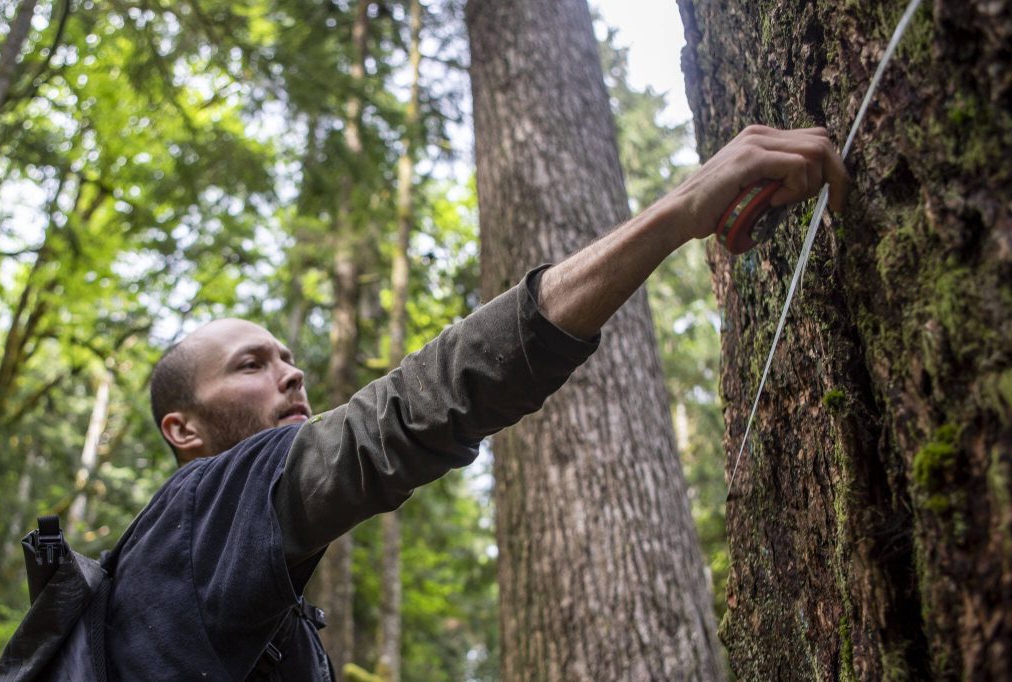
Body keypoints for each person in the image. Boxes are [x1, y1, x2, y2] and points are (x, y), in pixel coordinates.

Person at [108, 125, 849, 679]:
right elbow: (412, 412)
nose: (292, 375)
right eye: (250, 365)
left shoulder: (236, 590)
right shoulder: (198, 511)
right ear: (184, 429)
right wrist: (681, 209)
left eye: (289, 359)